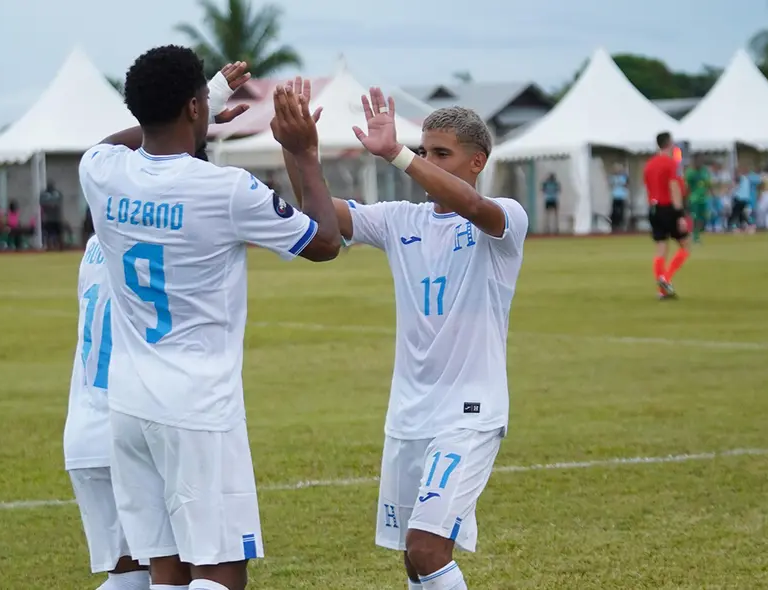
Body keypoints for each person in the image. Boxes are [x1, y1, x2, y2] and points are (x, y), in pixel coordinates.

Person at [79, 47, 341, 590]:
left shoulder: (101, 173)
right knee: (221, 573)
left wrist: (204, 99)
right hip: (197, 406)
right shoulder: (225, 189)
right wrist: (303, 152)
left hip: (128, 405)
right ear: (194, 108)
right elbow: (325, 242)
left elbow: (112, 143)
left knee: (168, 573)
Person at [283, 78, 528, 590]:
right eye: (424, 151)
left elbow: (471, 206)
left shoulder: (505, 219)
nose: (428, 161)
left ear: (477, 162)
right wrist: (300, 151)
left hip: (468, 415)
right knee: (413, 559)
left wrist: (396, 154)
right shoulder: (399, 219)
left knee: (428, 547)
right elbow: (319, 220)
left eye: (442, 153)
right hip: (409, 415)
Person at [65, 235, 150, 590]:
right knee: (180, 571)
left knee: (131, 578)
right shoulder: (162, 233)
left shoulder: (94, 243)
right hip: (136, 425)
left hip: (84, 428)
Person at [643, 132, 689, 299]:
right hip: (668, 207)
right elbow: (674, 188)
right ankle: (665, 278)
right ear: (669, 143)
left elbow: (648, 188)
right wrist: (680, 215)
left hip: (654, 208)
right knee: (685, 246)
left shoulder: (648, 165)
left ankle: (662, 291)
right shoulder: (671, 164)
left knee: (661, 249)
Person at [684, 157, 712, 243]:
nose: (699, 164)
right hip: (694, 199)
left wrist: (710, 192)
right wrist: (685, 198)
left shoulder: (704, 171)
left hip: (703, 199)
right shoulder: (690, 172)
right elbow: (686, 186)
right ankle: (694, 235)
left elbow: (708, 183)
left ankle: (696, 234)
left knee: (702, 218)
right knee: (694, 217)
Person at [40, 180, 65, 251]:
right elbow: (42, 203)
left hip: (56, 218)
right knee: (48, 234)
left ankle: (59, 247)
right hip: (49, 218)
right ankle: (49, 247)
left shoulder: (56, 193)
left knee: (58, 233)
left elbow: (59, 202)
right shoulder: (45, 194)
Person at [609, 164, 629, 232]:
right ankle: (614, 224)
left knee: (621, 212)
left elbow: (626, 185)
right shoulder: (612, 177)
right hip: (615, 196)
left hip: (622, 196)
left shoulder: (623, 177)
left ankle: (621, 225)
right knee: (614, 212)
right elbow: (610, 184)